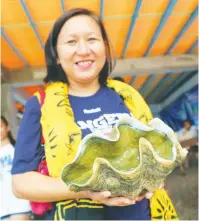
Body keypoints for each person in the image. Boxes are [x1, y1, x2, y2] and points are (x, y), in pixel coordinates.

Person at [11, 8, 177, 220]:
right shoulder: (39, 105)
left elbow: (156, 156)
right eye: (71, 42)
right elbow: (20, 183)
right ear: (57, 55)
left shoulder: (127, 97)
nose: (83, 50)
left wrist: (154, 178)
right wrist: (87, 190)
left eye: (92, 39)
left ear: (104, 48)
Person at [0, 116, 31, 220]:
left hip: (20, 203)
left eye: (0, 126)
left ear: (7, 127)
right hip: (2, 206)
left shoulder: (18, 149)